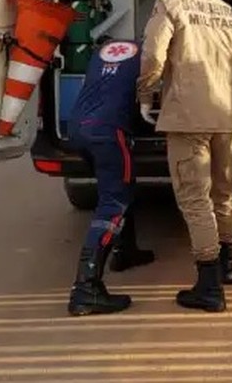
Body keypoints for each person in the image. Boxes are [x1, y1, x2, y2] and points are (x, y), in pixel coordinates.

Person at [137, 0, 232, 313]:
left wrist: (146, 95)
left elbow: (153, 55)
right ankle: (228, 263)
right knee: (224, 191)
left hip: (187, 115)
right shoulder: (231, 13)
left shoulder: (170, 4)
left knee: (195, 197)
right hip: (225, 114)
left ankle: (210, 284)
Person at [66, 39, 155, 317]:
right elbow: (149, 91)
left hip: (79, 126)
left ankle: (126, 250)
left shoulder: (104, 53)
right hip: (108, 132)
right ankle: (86, 288)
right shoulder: (149, 55)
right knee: (114, 201)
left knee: (119, 185)